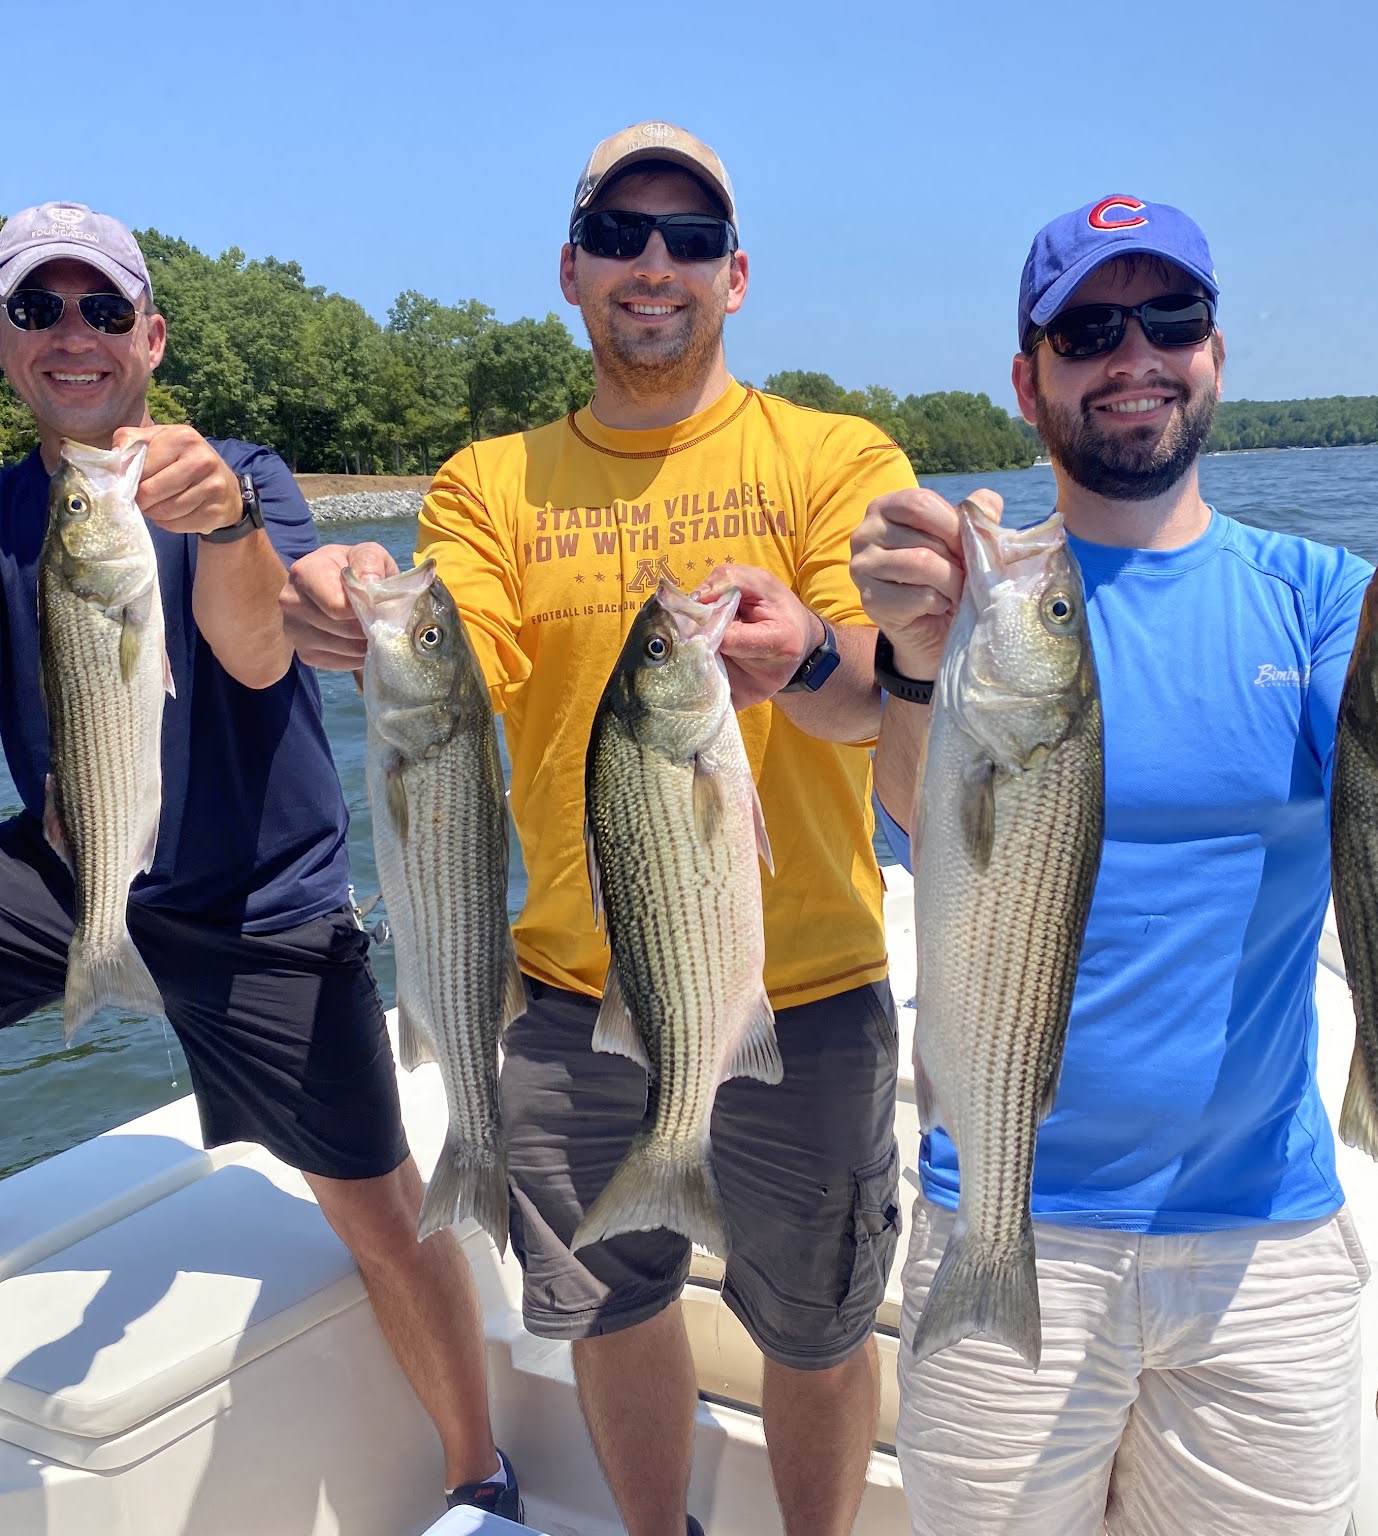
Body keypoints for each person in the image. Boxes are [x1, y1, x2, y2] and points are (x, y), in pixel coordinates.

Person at [849, 196, 1378, 1535]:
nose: (1134, 353)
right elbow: (926, 817)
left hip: (1265, 1235)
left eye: (1172, 317)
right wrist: (918, 660)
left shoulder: (1320, 600)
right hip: (1007, 1213)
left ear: (1215, 353)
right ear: (1028, 381)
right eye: (1089, 329)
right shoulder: (972, 612)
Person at [0, 203, 521, 1520]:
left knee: (384, 1218)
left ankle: (478, 1477)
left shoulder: (245, 475)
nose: (73, 334)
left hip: (259, 901)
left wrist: (228, 525)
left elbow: (260, 653)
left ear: (150, 339)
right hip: (70, 865)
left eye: (103, 309)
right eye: (38, 309)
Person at [282, 123, 912, 1536]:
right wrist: (349, 608)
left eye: (691, 239)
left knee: (817, 1328)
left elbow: (885, 690)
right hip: (566, 998)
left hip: (806, 992)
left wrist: (813, 650)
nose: (654, 264)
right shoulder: (487, 482)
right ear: (571, 271)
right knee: (609, 1310)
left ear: (736, 276)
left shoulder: (835, 454)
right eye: (621, 235)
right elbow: (454, 655)